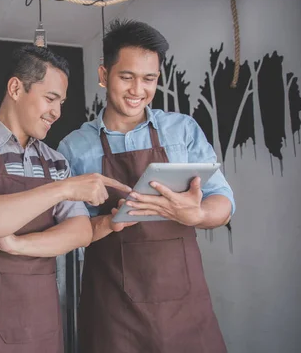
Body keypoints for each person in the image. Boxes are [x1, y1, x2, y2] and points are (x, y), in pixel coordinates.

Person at [0, 45, 131, 353]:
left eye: (62, 102)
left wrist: (17, 245)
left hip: (41, 321)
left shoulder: (55, 162)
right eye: (51, 98)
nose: (57, 111)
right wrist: (63, 189)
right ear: (15, 88)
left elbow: (80, 231)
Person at [57, 19, 235, 353]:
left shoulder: (182, 131)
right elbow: (71, 229)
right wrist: (109, 222)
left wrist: (196, 215)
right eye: (126, 77)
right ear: (102, 75)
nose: (138, 90)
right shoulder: (73, 148)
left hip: (185, 305)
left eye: (149, 79)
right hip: (112, 307)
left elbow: (223, 201)